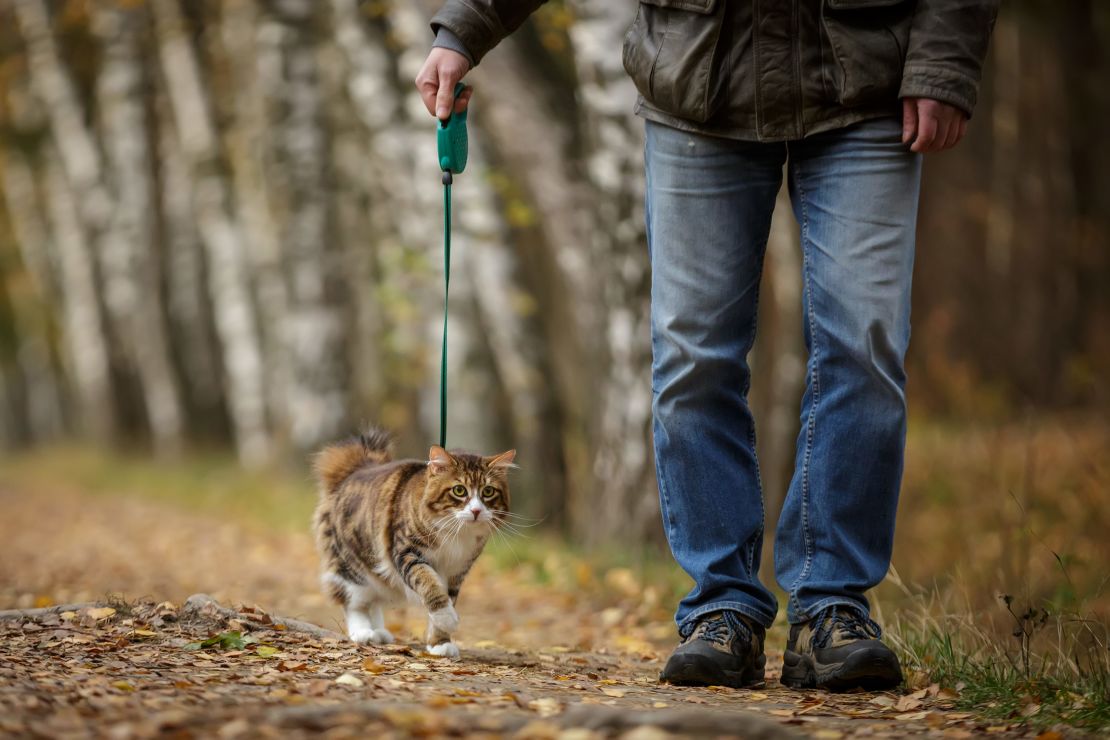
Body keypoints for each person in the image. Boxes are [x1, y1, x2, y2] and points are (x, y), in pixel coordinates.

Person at [416, 0, 998, 691]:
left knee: (865, 349)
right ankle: (721, 607)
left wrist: (942, 62)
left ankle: (832, 608)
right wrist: (463, 32)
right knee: (693, 360)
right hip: (699, 87)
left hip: (868, 82)